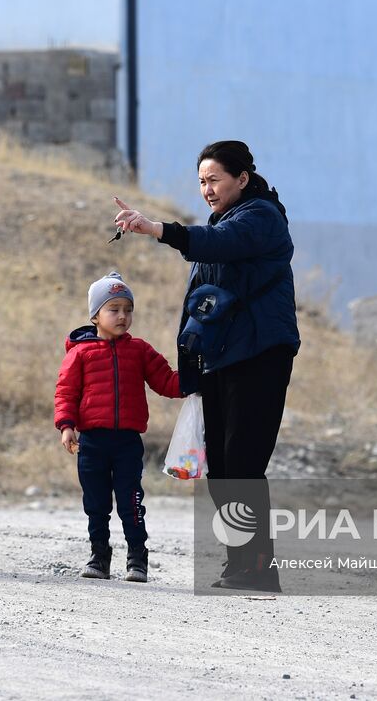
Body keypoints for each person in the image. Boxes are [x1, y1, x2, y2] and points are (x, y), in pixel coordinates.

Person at [112, 140, 298, 592]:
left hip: (259, 357)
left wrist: (157, 228)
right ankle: (241, 565)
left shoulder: (261, 218)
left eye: (214, 180)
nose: (207, 189)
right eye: (201, 182)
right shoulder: (223, 221)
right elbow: (203, 305)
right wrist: (190, 364)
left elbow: (218, 244)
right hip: (222, 358)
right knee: (221, 469)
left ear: (242, 179)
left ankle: (258, 568)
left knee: (243, 464)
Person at [54, 272, 182, 582]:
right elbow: (66, 392)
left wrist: (196, 379)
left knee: (131, 500)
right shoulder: (80, 354)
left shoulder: (139, 350)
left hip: (127, 443)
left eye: (128, 309)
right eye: (114, 309)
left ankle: (137, 559)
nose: (122, 316)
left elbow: (166, 382)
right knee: (96, 503)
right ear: (95, 315)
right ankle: (99, 556)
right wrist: (66, 425)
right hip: (92, 443)